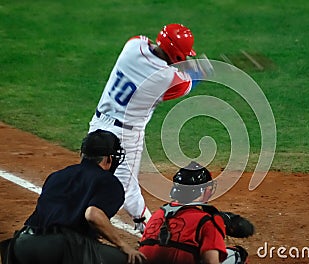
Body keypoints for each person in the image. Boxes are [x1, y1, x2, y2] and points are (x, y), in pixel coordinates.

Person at [88, 23, 212, 232]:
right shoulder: (167, 78)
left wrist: (188, 65)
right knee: (125, 190)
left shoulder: (133, 45)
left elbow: (160, 57)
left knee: (89, 177)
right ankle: (149, 228)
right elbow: (188, 82)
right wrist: (202, 70)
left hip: (97, 125)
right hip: (124, 137)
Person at [9, 129, 146, 264]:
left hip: (22, 243)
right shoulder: (109, 181)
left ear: (82, 154)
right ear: (109, 159)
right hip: (58, 247)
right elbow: (93, 214)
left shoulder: (56, 176)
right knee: (135, 261)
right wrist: (123, 245)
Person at [138, 161, 251, 264]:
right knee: (239, 256)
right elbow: (211, 262)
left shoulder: (158, 214)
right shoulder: (207, 221)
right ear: (203, 190)